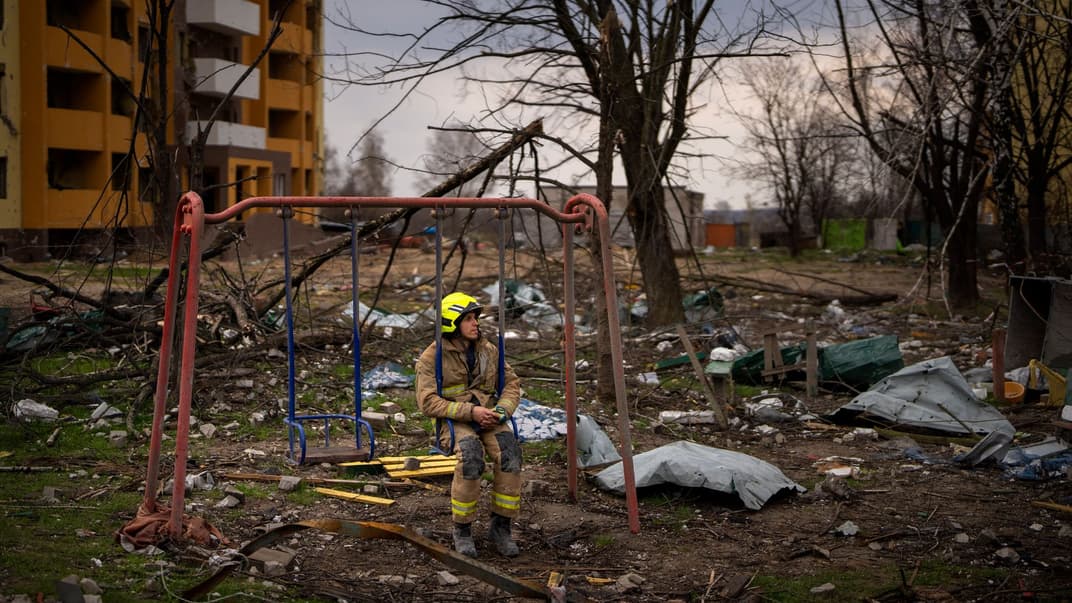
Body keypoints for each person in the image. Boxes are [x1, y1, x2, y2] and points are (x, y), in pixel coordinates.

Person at [415, 291, 522, 558]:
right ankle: (462, 529)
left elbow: (511, 384)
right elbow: (427, 401)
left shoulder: (488, 350)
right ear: (451, 323)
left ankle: (501, 527)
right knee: (471, 455)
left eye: (476, 318)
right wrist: (470, 412)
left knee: (510, 453)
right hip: (454, 420)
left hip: (489, 416)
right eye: (469, 319)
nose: (476, 323)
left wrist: (502, 410)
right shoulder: (432, 357)